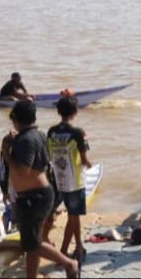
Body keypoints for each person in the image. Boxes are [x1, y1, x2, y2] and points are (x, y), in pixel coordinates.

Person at [1, 100, 78, 279]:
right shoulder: (40, 135)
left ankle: (69, 263)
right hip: (42, 194)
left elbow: (22, 172)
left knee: (32, 244)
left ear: (16, 119)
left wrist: (6, 151)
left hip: (33, 197)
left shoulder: (25, 140)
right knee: (31, 243)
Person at [47, 90, 92, 261]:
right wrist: (89, 164)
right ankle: (66, 251)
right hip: (75, 182)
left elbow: (49, 156)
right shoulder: (78, 133)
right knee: (73, 217)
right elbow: (84, 159)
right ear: (75, 112)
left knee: (73, 217)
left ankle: (75, 247)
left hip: (58, 180)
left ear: (59, 112)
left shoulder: (51, 132)